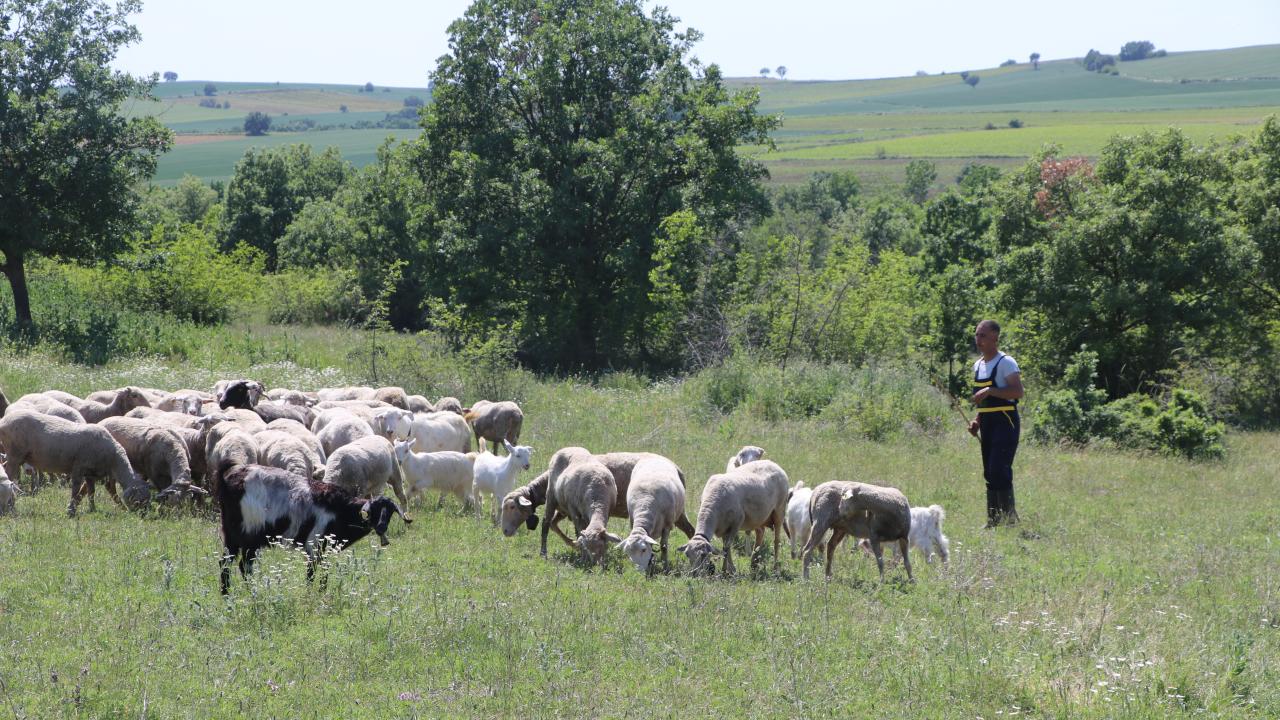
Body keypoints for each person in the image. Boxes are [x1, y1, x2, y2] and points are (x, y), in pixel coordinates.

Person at [967, 319, 1024, 527]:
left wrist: (991, 390)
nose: (978, 339)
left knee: (999, 468)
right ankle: (993, 521)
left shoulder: (1006, 362)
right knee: (989, 472)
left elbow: (1018, 392)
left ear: (995, 337)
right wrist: (977, 422)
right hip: (988, 423)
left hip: (1005, 421)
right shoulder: (978, 365)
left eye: (983, 335)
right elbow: (984, 404)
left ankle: (1010, 521)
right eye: (977, 335)